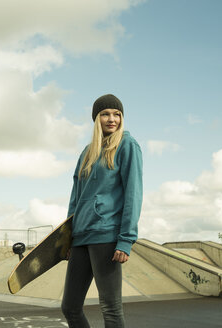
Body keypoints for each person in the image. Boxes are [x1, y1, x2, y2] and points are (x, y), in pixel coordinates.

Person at [61, 94, 143, 328]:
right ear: (96, 118)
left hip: (106, 235)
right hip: (80, 238)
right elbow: (75, 198)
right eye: (105, 114)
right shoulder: (87, 152)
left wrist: (126, 240)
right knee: (70, 308)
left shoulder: (127, 145)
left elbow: (133, 194)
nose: (112, 119)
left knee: (110, 309)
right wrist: (67, 236)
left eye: (117, 114)